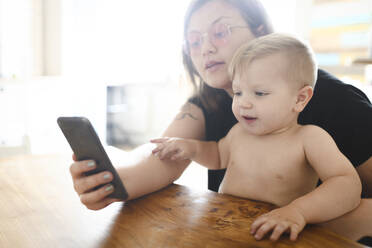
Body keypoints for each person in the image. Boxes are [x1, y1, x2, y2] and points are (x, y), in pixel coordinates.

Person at [69, 0, 372, 243]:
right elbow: (165, 153)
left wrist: (300, 215)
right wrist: (107, 178)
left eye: (220, 31)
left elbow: (351, 189)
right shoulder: (211, 102)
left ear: (260, 30)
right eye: (194, 39)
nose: (206, 48)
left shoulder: (337, 104)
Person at [150, 33, 362, 241]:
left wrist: (298, 211)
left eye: (259, 93)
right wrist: (191, 148)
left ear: (299, 99)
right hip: (227, 227)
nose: (244, 103)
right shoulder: (238, 133)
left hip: (275, 235)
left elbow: (347, 184)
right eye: (238, 92)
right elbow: (217, 156)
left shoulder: (309, 139)